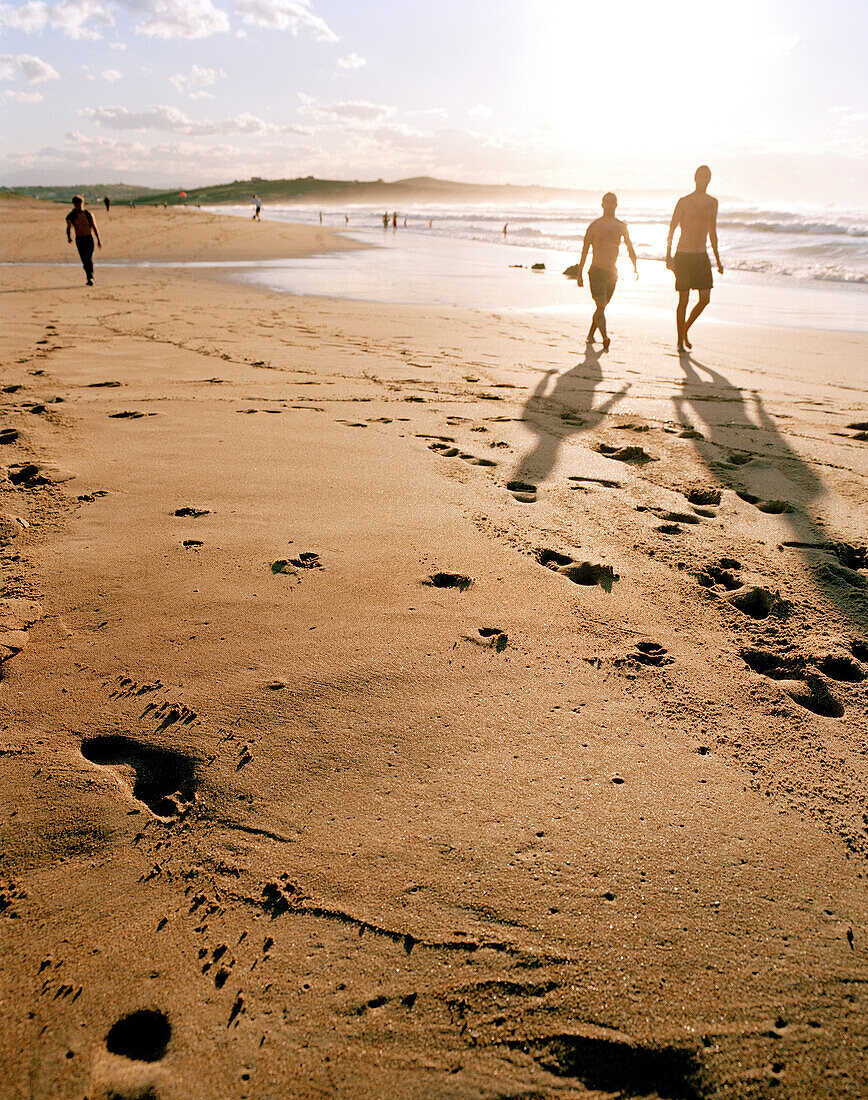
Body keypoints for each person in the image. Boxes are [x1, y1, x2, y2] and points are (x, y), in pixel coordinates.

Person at [666, 165, 723, 351]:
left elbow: (712, 231)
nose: (703, 178)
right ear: (695, 178)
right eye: (700, 175)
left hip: (701, 255)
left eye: (707, 176)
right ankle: (679, 340)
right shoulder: (684, 201)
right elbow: (672, 228)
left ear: (710, 179)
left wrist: (718, 259)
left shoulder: (713, 202)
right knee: (683, 299)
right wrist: (668, 255)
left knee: (705, 299)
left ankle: (685, 330)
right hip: (683, 255)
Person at [576, 192, 637, 350]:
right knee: (601, 305)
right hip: (596, 271)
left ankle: (590, 335)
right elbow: (584, 250)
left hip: (612, 273)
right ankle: (605, 337)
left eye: (612, 202)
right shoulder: (594, 226)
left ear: (616, 205)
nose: (609, 205)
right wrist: (579, 272)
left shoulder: (621, 226)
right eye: (607, 202)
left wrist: (635, 267)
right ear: (602, 204)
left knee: (601, 307)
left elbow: (630, 247)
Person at [65, 195, 101, 286]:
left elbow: (94, 227)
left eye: (80, 203)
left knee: (88, 258)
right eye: (77, 204)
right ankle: (88, 276)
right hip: (79, 239)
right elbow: (68, 227)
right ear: (74, 204)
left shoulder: (88, 214)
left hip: (88, 238)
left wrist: (98, 240)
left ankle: (90, 277)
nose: (79, 206)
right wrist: (69, 237)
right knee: (84, 260)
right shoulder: (71, 215)